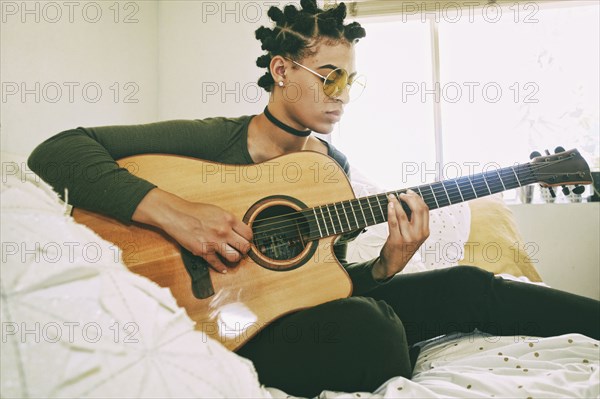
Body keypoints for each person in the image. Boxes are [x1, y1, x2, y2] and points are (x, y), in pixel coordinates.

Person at [28, 1, 599, 396]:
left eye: (350, 81)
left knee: (466, 286)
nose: (341, 95)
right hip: (221, 317)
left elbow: (323, 279)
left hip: (296, 313)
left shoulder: (329, 169)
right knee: (372, 336)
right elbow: (58, 151)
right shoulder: (213, 139)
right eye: (328, 76)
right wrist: (177, 214)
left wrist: (384, 266)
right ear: (281, 70)